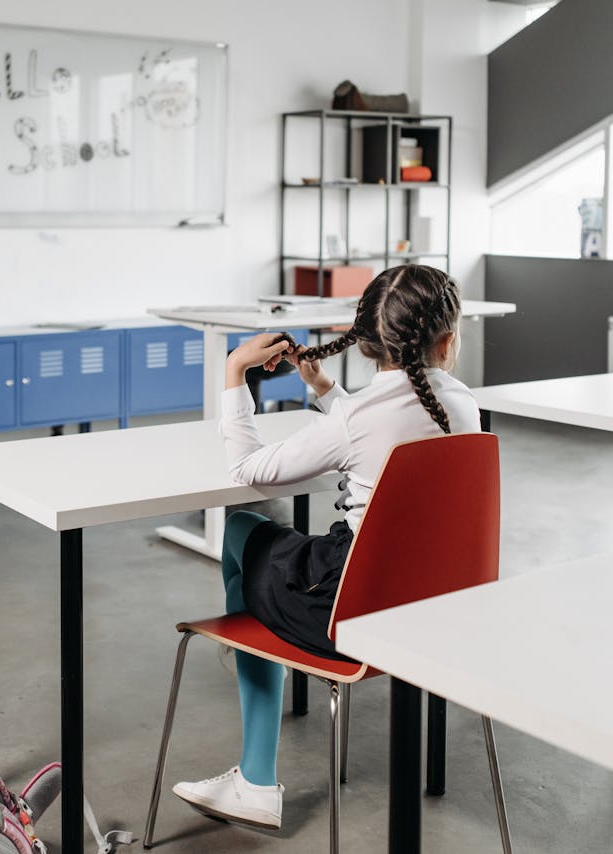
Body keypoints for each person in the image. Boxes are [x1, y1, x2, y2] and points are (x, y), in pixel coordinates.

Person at [170, 264, 481, 830]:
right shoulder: (462, 406)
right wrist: (324, 391)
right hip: (432, 612)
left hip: (351, 617)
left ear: (364, 342)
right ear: (448, 341)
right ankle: (254, 746)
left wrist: (234, 371)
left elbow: (248, 471)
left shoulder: (358, 418)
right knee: (291, 545)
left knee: (242, 528)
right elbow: (378, 425)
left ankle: (256, 777)